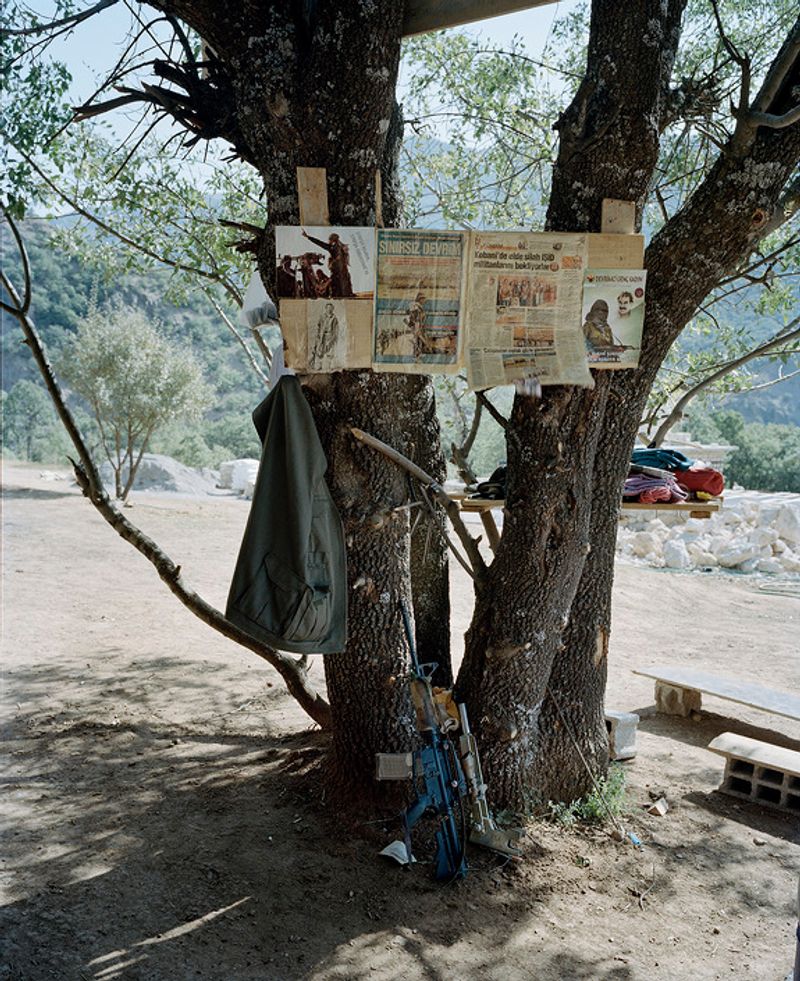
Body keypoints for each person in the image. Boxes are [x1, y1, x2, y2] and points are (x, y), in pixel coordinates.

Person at [301, 229, 355, 297]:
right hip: (343, 276)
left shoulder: (334, 249)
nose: (328, 241)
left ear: (332, 240)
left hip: (339, 276)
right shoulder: (339, 248)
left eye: (329, 240)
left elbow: (320, 243)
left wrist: (308, 237)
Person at [310, 302, 340, 369]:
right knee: (319, 351)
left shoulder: (334, 318)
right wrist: (318, 335)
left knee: (329, 351)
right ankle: (318, 366)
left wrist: (333, 338)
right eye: (328, 308)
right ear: (325, 309)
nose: (329, 309)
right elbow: (318, 326)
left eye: (330, 308)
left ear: (332, 309)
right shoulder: (322, 317)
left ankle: (329, 366)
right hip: (322, 336)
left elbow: (336, 330)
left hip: (330, 336)